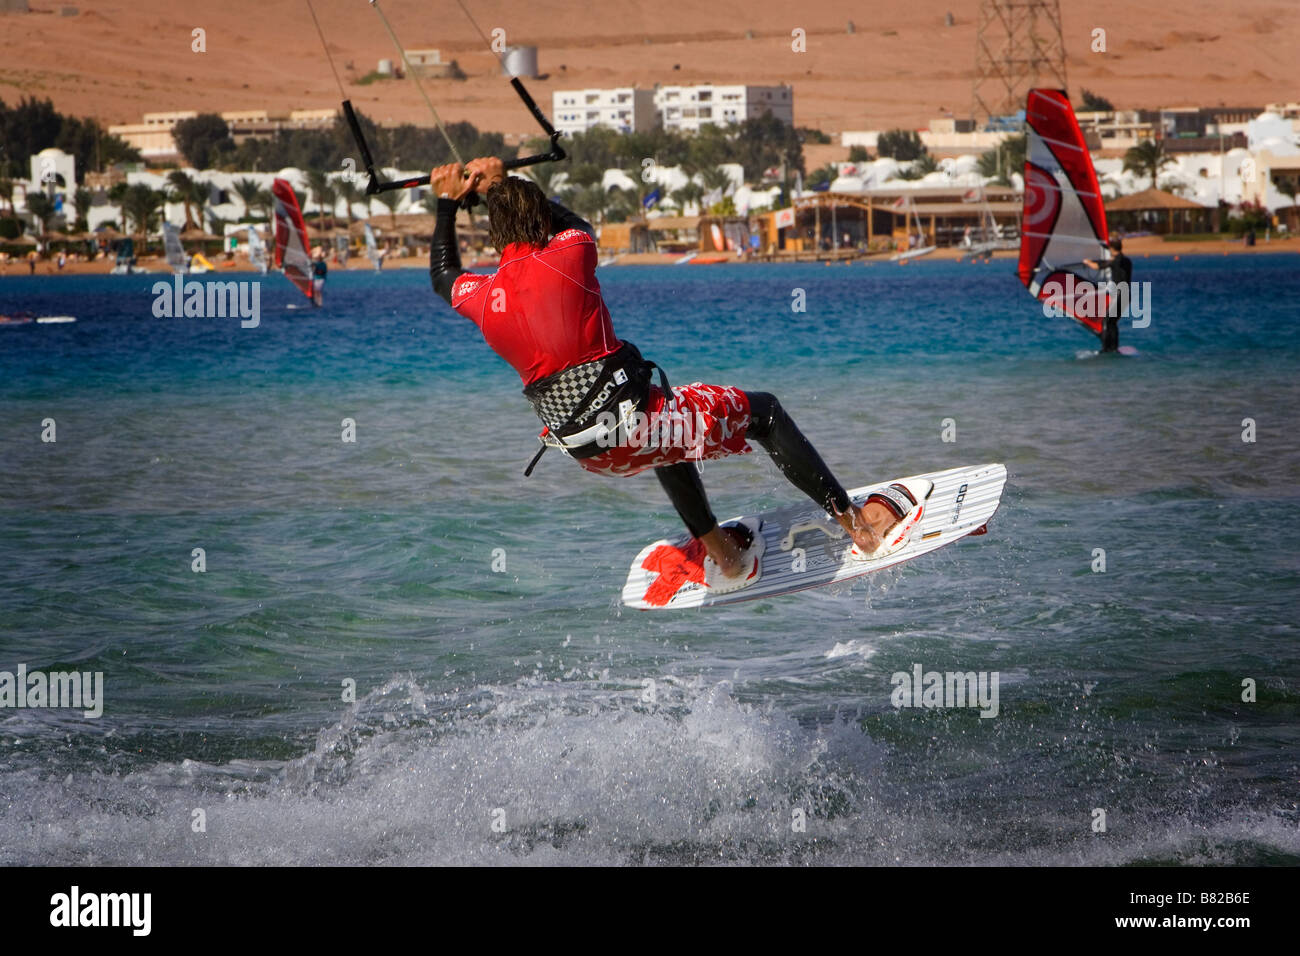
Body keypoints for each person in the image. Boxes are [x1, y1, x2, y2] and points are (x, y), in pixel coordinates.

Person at [427, 157, 928, 591]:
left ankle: (724, 555)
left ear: (495, 238)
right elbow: (574, 222)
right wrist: (498, 183)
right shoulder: (569, 253)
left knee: (666, 426)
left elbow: (443, 274)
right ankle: (857, 525)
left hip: (590, 453)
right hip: (637, 423)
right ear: (541, 218)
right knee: (766, 414)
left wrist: (449, 204)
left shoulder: (481, 298)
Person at [1083, 235, 1131, 353]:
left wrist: (1087, 262)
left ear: (1112, 249)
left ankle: (1106, 349)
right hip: (1126, 295)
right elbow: (1114, 263)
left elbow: (1097, 267)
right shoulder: (1127, 261)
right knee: (1112, 322)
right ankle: (1114, 348)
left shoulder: (1115, 262)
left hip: (1120, 295)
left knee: (1107, 321)